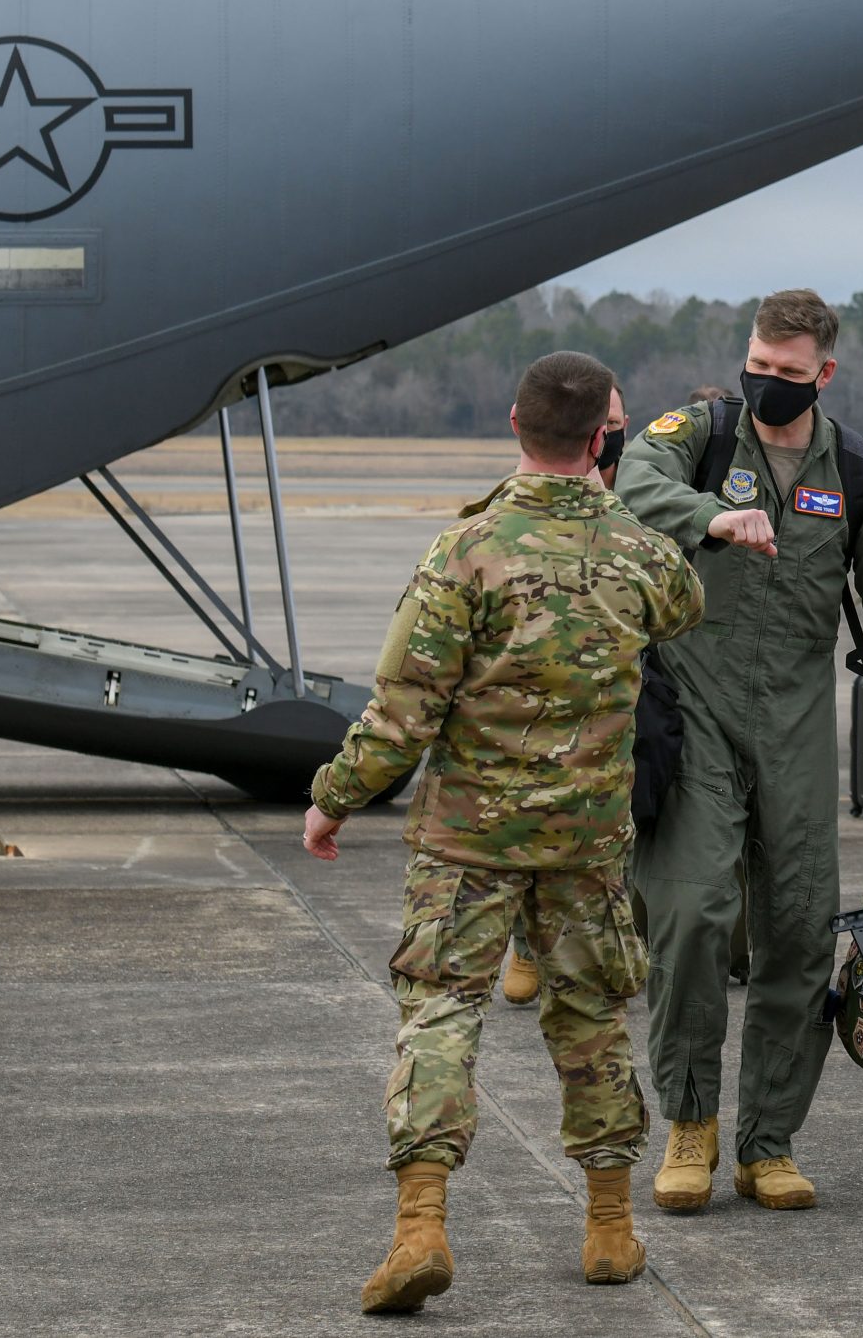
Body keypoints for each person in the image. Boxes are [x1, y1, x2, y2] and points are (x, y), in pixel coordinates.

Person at [303, 352, 703, 1315]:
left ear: (514, 423)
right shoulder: (644, 554)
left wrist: (335, 797)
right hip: (587, 839)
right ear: (602, 437)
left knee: (441, 1014)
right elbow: (686, 608)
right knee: (592, 1019)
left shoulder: (467, 549)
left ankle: (423, 1226)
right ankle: (610, 1226)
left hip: (468, 843)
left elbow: (404, 707)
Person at [616, 290, 863, 1213]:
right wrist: (709, 516)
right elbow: (636, 477)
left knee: (799, 929)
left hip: (798, 722)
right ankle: (689, 1121)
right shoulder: (703, 431)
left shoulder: (860, 470)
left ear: (824, 374)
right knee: (689, 914)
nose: (767, 381)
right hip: (696, 707)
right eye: (759, 361)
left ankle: (769, 1139)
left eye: (789, 372)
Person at [502, 384, 633, 1010]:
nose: (605, 431)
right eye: (599, 420)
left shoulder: (641, 495)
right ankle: (529, 942)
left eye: (615, 419)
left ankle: (606, 944)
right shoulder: (512, 512)